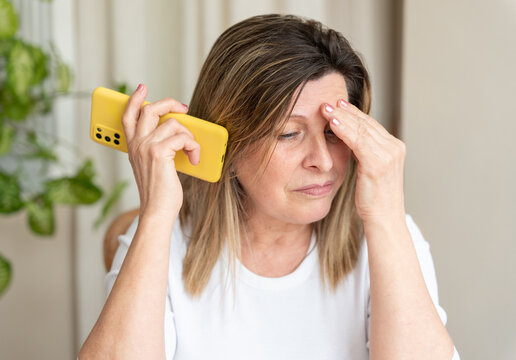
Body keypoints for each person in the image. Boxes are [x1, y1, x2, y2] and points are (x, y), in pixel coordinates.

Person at [79, 14, 460, 359]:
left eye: (334, 133)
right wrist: (157, 213)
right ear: (229, 140)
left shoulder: (388, 239)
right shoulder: (162, 242)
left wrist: (387, 216)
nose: (323, 161)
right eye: (290, 134)